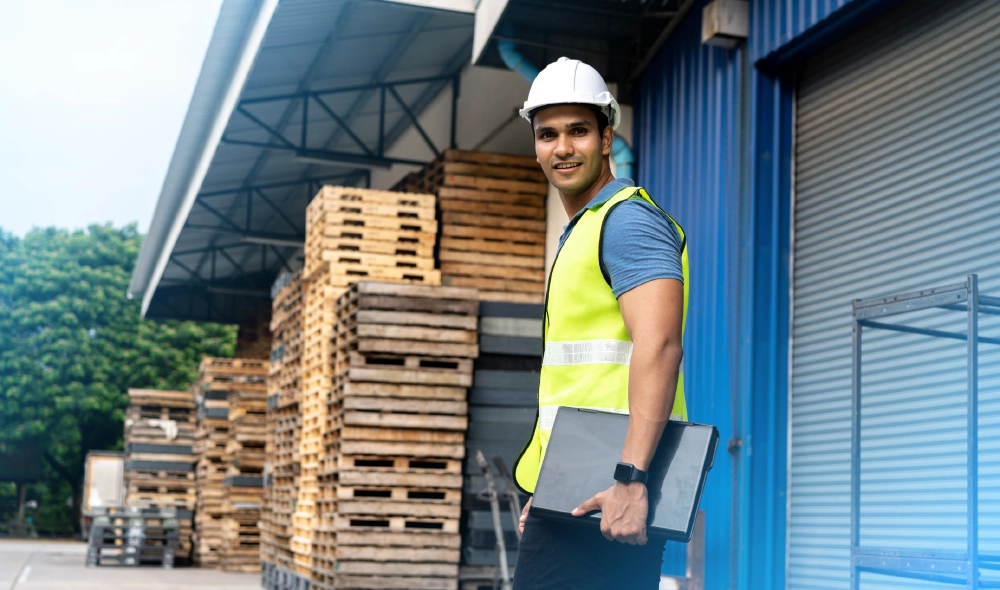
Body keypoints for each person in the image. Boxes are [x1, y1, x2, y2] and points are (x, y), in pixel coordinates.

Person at [510, 57, 690, 590]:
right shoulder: (585, 227)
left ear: (607, 137)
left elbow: (659, 348)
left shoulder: (627, 221)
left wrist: (631, 481)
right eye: (547, 134)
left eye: (578, 131)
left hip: (610, 490)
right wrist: (546, 495)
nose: (562, 148)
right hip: (575, 489)